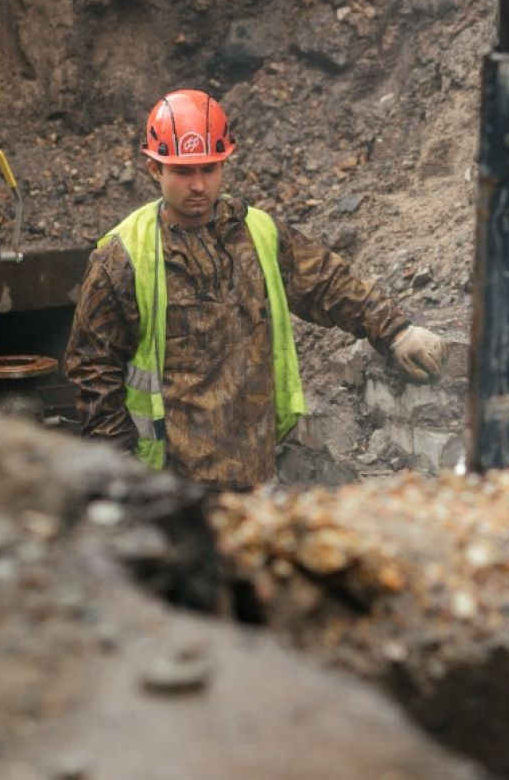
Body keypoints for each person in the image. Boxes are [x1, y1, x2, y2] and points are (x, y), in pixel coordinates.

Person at [65, 88, 448, 488]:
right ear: (153, 169)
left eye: (209, 168)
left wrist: (396, 330)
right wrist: (119, 475)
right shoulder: (124, 256)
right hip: (168, 484)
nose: (198, 185)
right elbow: (93, 369)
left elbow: (327, 283)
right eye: (182, 171)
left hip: (255, 471)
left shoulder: (257, 234)